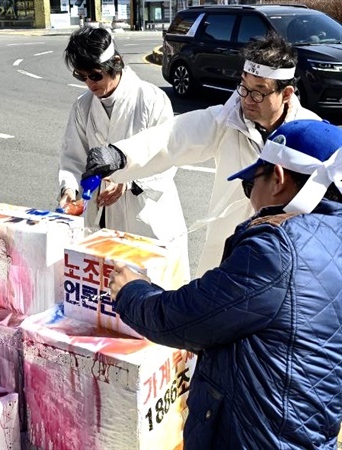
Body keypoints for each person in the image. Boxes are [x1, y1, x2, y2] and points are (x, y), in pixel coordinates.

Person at [108, 119, 342, 449]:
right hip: (309, 432)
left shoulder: (276, 251)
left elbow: (184, 319)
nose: (249, 199)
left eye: (250, 185)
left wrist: (132, 290)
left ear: (278, 178)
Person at [82, 33, 321, 277]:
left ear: (287, 93)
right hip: (230, 249)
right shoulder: (227, 121)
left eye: (259, 92)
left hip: (289, 253)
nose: (247, 100)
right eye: (244, 87)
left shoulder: (312, 137)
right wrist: (120, 154)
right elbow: (173, 137)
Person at [59, 27, 190, 281]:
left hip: (147, 213)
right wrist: (69, 189)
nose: (89, 84)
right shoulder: (83, 105)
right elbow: (73, 156)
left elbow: (168, 157)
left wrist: (128, 182)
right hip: (105, 215)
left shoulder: (151, 99)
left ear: (116, 63)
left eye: (95, 75)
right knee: (108, 290)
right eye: (81, 76)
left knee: (152, 292)